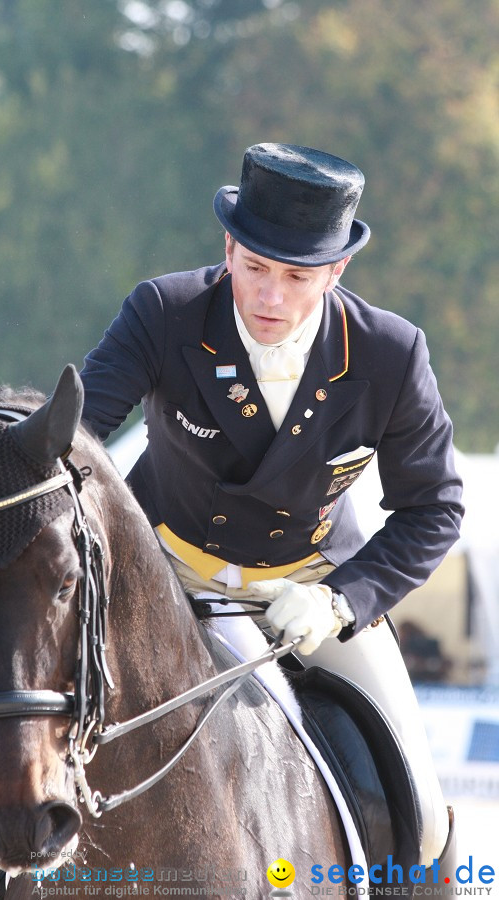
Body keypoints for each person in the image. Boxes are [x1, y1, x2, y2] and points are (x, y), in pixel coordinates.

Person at [80, 143, 464, 875]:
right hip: (162, 578)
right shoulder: (162, 313)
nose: (270, 298)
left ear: (337, 270)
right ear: (228, 246)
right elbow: (79, 441)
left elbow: (436, 508)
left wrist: (340, 599)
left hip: (309, 590)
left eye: (298, 277)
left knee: (421, 813)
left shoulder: (390, 353)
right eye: (254, 267)